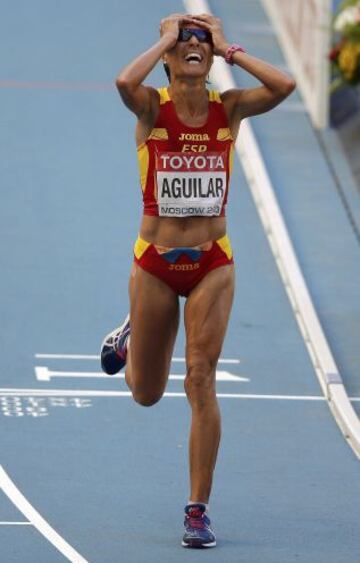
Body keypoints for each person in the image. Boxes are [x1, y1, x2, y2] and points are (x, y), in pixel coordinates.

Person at [101, 12, 295, 548]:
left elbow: (284, 86)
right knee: (145, 394)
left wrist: (228, 47)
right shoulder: (150, 107)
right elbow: (123, 81)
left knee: (201, 378)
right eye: (184, 42)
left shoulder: (227, 109)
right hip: (155, 266)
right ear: (167, 58)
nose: (192, 45)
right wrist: (165, 35)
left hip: (213, 261)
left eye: (198, 42)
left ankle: (197, 509)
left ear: (208, 60)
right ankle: (132, 334)